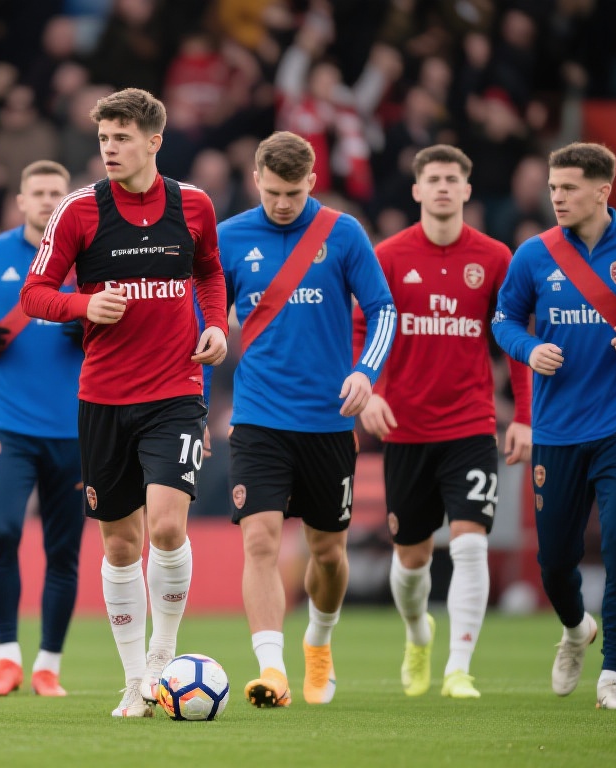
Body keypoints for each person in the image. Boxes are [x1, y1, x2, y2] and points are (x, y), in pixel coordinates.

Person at [19, 87, 228, 718]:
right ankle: (134, 680)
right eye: (104, 138)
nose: (109, 149)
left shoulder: (194, 205)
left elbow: (209, 273)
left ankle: (162, 658)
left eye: (122, 138)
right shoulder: (79, 211)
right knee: (119, 546)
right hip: (104, 396)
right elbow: (35, 293)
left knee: (166, 526)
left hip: (176, 391)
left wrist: (216, 325)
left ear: (154, 141)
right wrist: (84, 305)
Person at [492, 142, 616, 710]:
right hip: (557, 428)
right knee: (555, 561)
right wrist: (529, 349)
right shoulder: (534, 254)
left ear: (603, 191)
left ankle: (614, 675)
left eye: (569, 188)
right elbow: (505, 320)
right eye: (553, 187)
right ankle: (577, 627)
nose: (556, 197)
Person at [219, 130, 395, 708]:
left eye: (292, 193)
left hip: (327, 421)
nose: (281, 203)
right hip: (258, 417)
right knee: (260, 541)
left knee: (327, 553)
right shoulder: (228, 237)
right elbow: (205, 316)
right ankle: (272, 671)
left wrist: (365, 372)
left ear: (312, 182)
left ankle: (318, 641)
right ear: (255, 180)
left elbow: (383, 309)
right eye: (271, 191)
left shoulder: (343, 233)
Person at [356, 144, 532, 700]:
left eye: (452, 179)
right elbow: (362, 328)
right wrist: (369, 391)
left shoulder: (495, 258)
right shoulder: (388, 256)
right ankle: (417, 633)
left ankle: (459, 668)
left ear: (467, 189)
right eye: (432, 179)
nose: (442, 187)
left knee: (470, 544)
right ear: (416, 189)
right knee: (411, 561)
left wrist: (524, 416)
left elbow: (514, 339)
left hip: (470, 425)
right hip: (404, 428)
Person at [0, 160, 85, 697]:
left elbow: (120, 323)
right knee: (2, 532)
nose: (48, 201)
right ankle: (8, 657)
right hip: (10, 425)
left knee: (63, 550)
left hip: (75, 429)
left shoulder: (88, 258)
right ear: (21, 201)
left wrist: (89, 329)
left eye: (57, 192)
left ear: (68, 201)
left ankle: (49, 664)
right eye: (39, 192)